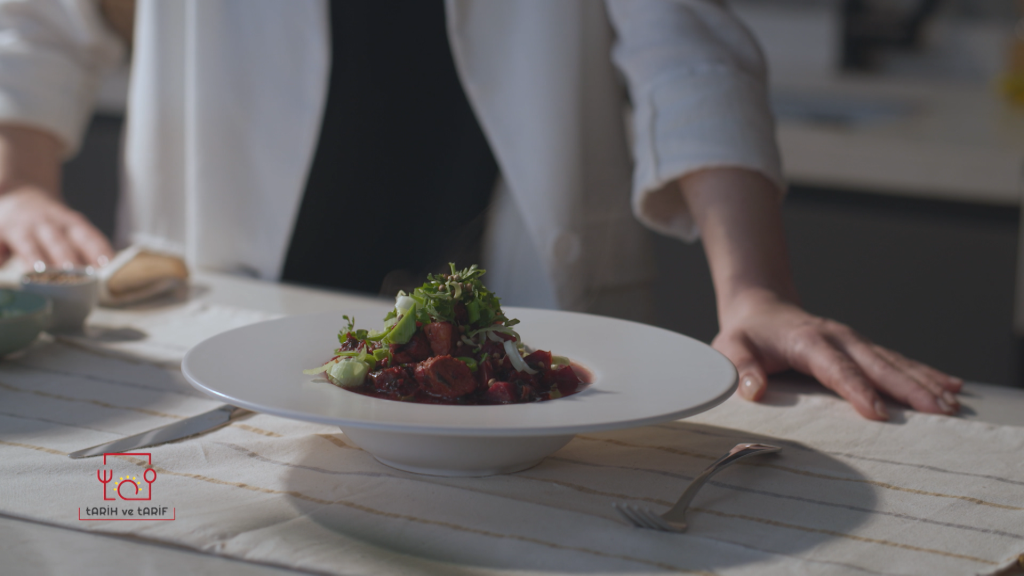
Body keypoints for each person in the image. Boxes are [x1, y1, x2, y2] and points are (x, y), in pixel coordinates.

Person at [0, 0, 961, 420]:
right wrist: (19, 181)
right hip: (235, 287)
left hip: (518, 293)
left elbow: (684, 37)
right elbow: (37, 19)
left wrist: (756, 290)